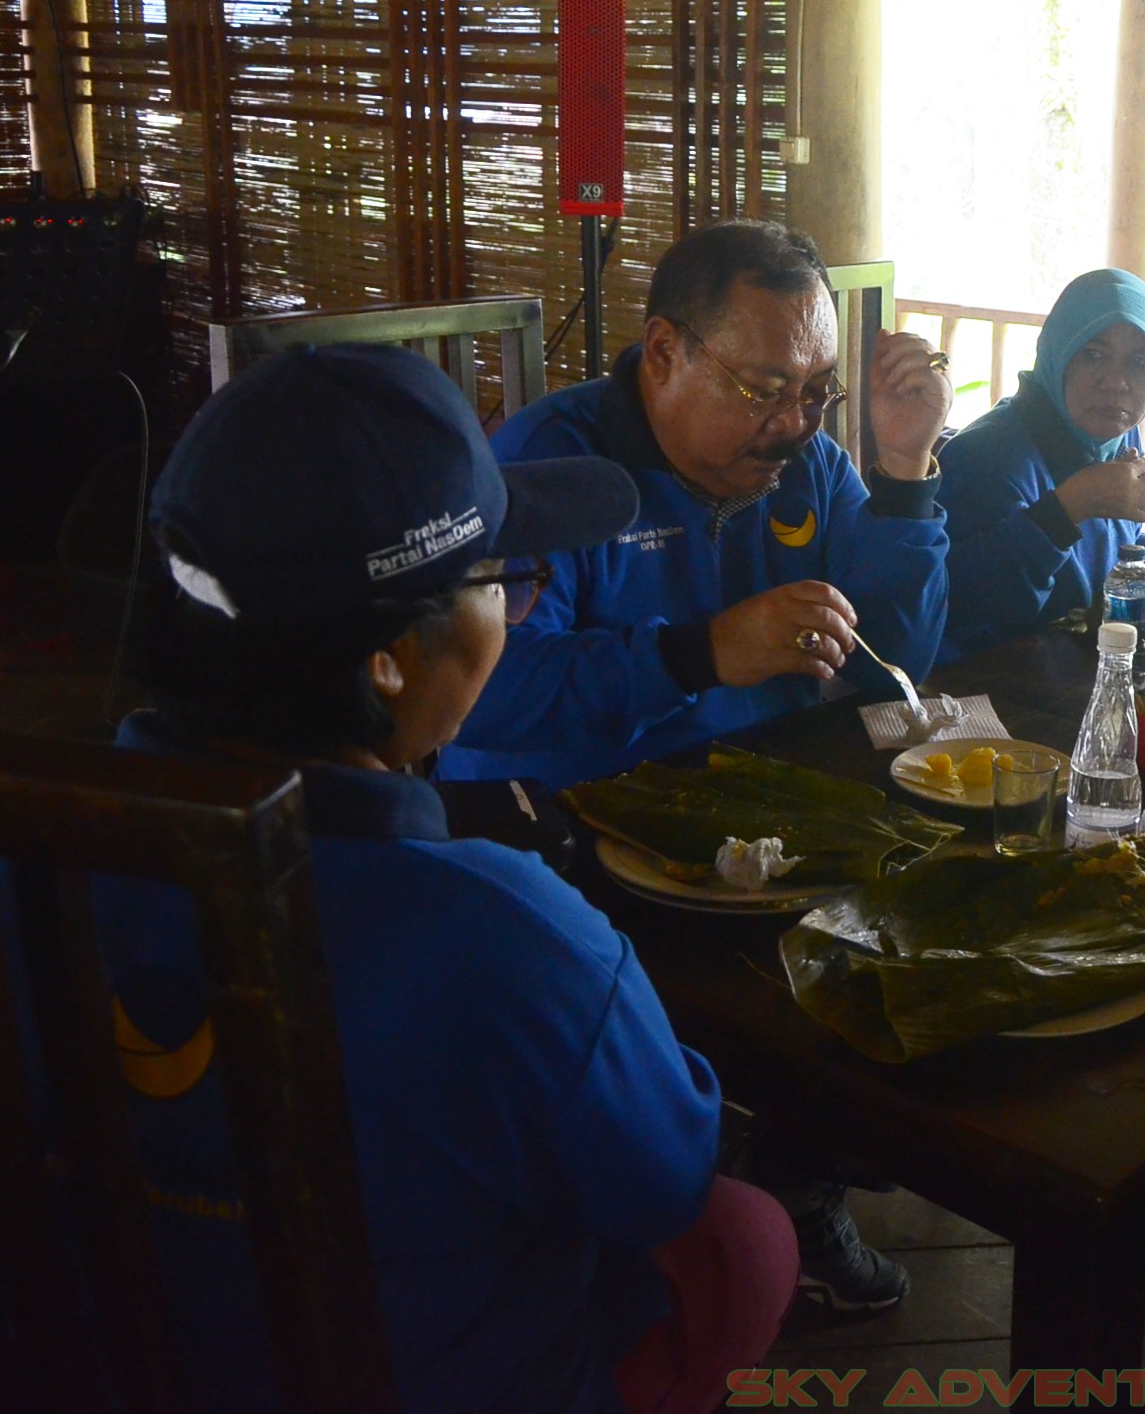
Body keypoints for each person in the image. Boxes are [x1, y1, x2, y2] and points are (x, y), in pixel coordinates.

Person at [112, 343, 794, 1414]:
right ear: (387, 658)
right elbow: (662, 1175)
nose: (513, 613)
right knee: (748, 1238)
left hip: (103, 1359)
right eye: (504, 581)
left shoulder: (1, 857)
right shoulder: (497, 933)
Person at [439, 220, 952, 791]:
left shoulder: (813, 467)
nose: (794, 426)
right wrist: (697, 656)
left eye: (815, 392)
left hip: (764, 804)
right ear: (663, 353)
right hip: (571, 819)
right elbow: (478, 693)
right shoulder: (549, 467)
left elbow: (893, 667)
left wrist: (906, 467)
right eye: (763, 389)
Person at [934, 268, 1145, 659]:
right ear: (1057, 352)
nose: (1116, 383)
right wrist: (1067, 508)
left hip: (1073, 676)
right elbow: (955, 602)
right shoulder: (988, 455)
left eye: (1140, 362)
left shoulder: (1108, 434)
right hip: (978, 692)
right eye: (1093, 355)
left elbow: (1113, 545)